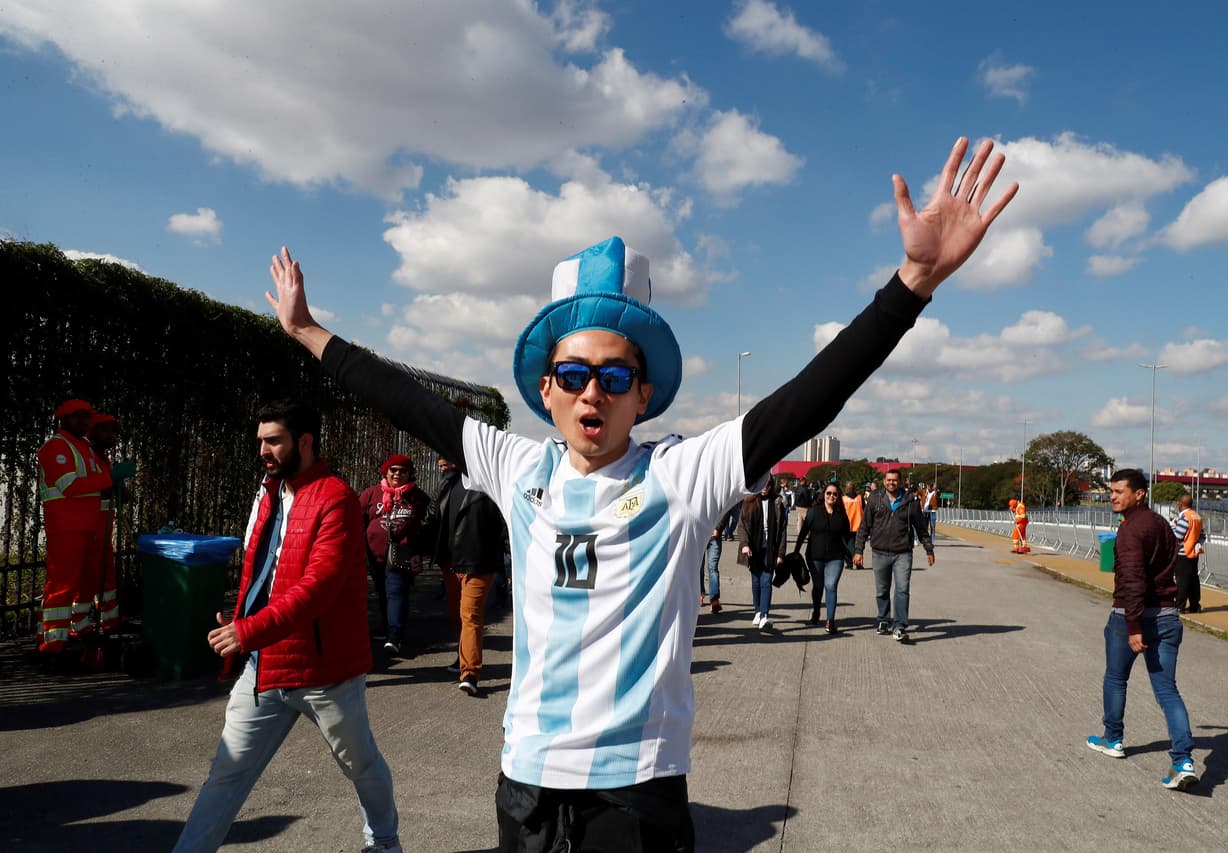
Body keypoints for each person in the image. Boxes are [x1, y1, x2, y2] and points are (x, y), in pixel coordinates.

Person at [266, 136, 1016, 850]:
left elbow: (808, 400)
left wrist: (912, 284)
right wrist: (308, 332)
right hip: (526, 779)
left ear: (643, 393)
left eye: (615, 375)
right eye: (574, 374)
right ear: (548, 391)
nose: (593, 391)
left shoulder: (682, 475)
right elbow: (407, 399)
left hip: (637, 787)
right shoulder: (515, 466)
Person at [173, 400, 401, 852]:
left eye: (273, 440)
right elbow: (262, 570)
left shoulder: (335, 498)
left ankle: (385, 843)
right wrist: (243, 622)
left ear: (305, 442)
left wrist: (248, 631)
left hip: (325, 672)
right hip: (264, 665)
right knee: (227, 773)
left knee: (360, 765)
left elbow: (319, 586)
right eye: (260, 440)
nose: (263, 449)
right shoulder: (271, 491)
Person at [1087, 469, 1198, 792]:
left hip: (1131, 618)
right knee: (1167, 691)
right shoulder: (1161, 524)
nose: (1113, 496)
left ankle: (1113, 739)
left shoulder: (1131, 531)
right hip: (1167, 615)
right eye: (1111, 491)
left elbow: (1134, 581)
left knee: (1116, 678)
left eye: (1120, 491)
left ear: (1139, 494)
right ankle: (1183, 760)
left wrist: (1134, 626)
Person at [36, 399, 134, 655]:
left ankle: (80, 627)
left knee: (84, 582)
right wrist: (110, 478)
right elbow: (70, 486)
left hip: (86, 525)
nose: (84, 422)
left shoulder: (82, 448)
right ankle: (53, 642)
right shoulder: (55, 447)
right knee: (62, 583)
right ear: (64, 419)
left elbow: (95, 485)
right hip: (67, 526)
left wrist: (114, 482)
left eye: (86, 417)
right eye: (78, 417)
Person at [433, 456, 507, 695]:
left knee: (470, 615)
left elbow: (506, 528)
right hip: (450, 563)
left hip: (479, 563)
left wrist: (511, 564)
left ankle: (470, 673)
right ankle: (461, 656)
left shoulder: (490, 486)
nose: (443, 460)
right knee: (457, 615)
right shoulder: (447, 484)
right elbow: (435, 520)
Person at [359, 453, 432, 656]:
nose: (398, 474)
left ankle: (395, 636)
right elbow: (358, 519)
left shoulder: (418, 498)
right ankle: (385, 627)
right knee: (382, 592)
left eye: (403, 471)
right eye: (393, 470)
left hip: (402, 554)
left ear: (410, 474)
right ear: (386, 472)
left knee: (396, 591)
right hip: (374, 555)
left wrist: (418, 552)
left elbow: (425, 527)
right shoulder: (372, 494)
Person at [853, 468, 934, 643]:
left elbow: (921, 528)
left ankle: (899, 626)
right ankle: (883, 619)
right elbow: (864, 527)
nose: (892, 483)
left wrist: (929, 549)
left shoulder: (910, 501)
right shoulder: (875, 499)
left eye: (895, 480)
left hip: (902, 553)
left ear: (900, 482)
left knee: (902, 590)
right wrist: (858, 550)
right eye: (889, 480)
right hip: (880, 552)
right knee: (882, 590)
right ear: (884, 482)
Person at [794, 483, 854, 633]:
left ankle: (830, 621)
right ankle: (816, 611)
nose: (831, 496)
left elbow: (848, 536)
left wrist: (855, 553)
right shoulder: (814, 512)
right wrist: (796, 551)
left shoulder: (842, 514)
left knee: (831, 586)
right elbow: (803, 532)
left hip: (836, 557)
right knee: (818, 586)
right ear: (824, 495)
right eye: (828, 493)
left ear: (838, 496)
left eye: (834, 494)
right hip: (815, 557)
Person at [86, 412, 125, 634]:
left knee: (106, 577)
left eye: (113, 432)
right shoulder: (88, 456)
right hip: (89, 529)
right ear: (93, 432)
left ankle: (109, 621)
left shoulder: (103, 458)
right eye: (106, 431)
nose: (111, 436)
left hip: (102, 530)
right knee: (87, 578)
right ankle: (79, 626)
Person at [738, 477, 788, 630]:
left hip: (770, 550)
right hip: (754, 549)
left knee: (766, 581)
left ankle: (764, 615)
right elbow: (742, 526)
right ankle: (757, 610)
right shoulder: (749, 501)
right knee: (756, 581)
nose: (765, 487)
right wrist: (745, 545)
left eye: (768, 484)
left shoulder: (778, 502)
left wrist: (780, 553)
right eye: (762, 484)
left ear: (772, 486)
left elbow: (783, 531)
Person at [1170, 493, 1205, 614]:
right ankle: (1195, 605)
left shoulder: (1185, 517)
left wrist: (1173, 526)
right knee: (1193, 580)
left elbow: (1177, 536)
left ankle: (1179, 606)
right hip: (1193, 553)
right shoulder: (1196, 516)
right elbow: (1202, 535)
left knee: (1182, 581)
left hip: (1183, 553)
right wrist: (1198, 544)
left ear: (1180, 504)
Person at [702, 509, 731, 613]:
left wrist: (718, 529)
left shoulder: (718, 493)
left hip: (715, 536)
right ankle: (700, 593)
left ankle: (714, 600)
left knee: (712, 567)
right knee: (698, 568)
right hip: (699, 535)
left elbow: (726, 510)